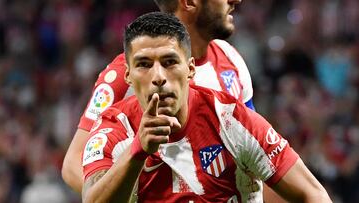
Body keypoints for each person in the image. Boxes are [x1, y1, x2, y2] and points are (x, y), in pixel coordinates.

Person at [81, 12, 332, 203]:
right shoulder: (113, 129)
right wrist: (137, 151)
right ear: (128, 75)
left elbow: (313, 194)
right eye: (144, 64)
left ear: (190, 69)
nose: (158, 76)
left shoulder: (231, 121)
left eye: (169, 62)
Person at [63, 0, 258, 194]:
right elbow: (73, 163)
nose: (235, 1)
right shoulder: (127, 75)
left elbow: (256, 152)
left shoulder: (230, 58)